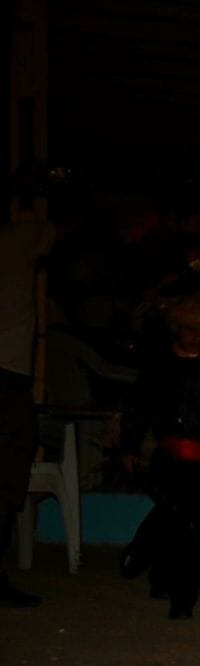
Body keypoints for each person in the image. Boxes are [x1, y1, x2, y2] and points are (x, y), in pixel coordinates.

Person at [117, 295, 200, 619]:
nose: (197, 338)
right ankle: (152, 568)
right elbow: (138, 407)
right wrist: (129, 446)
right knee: (171, 518)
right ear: (176, 329)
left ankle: (182, 596)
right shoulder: (160, 365)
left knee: (196, 526)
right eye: (190, 330)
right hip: (170, 458)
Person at [0, 194, 55, 607]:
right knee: (6, 477)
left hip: (11, 375)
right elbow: (53, 230)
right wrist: (35, 191)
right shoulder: (18, 241)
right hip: (8, 377)